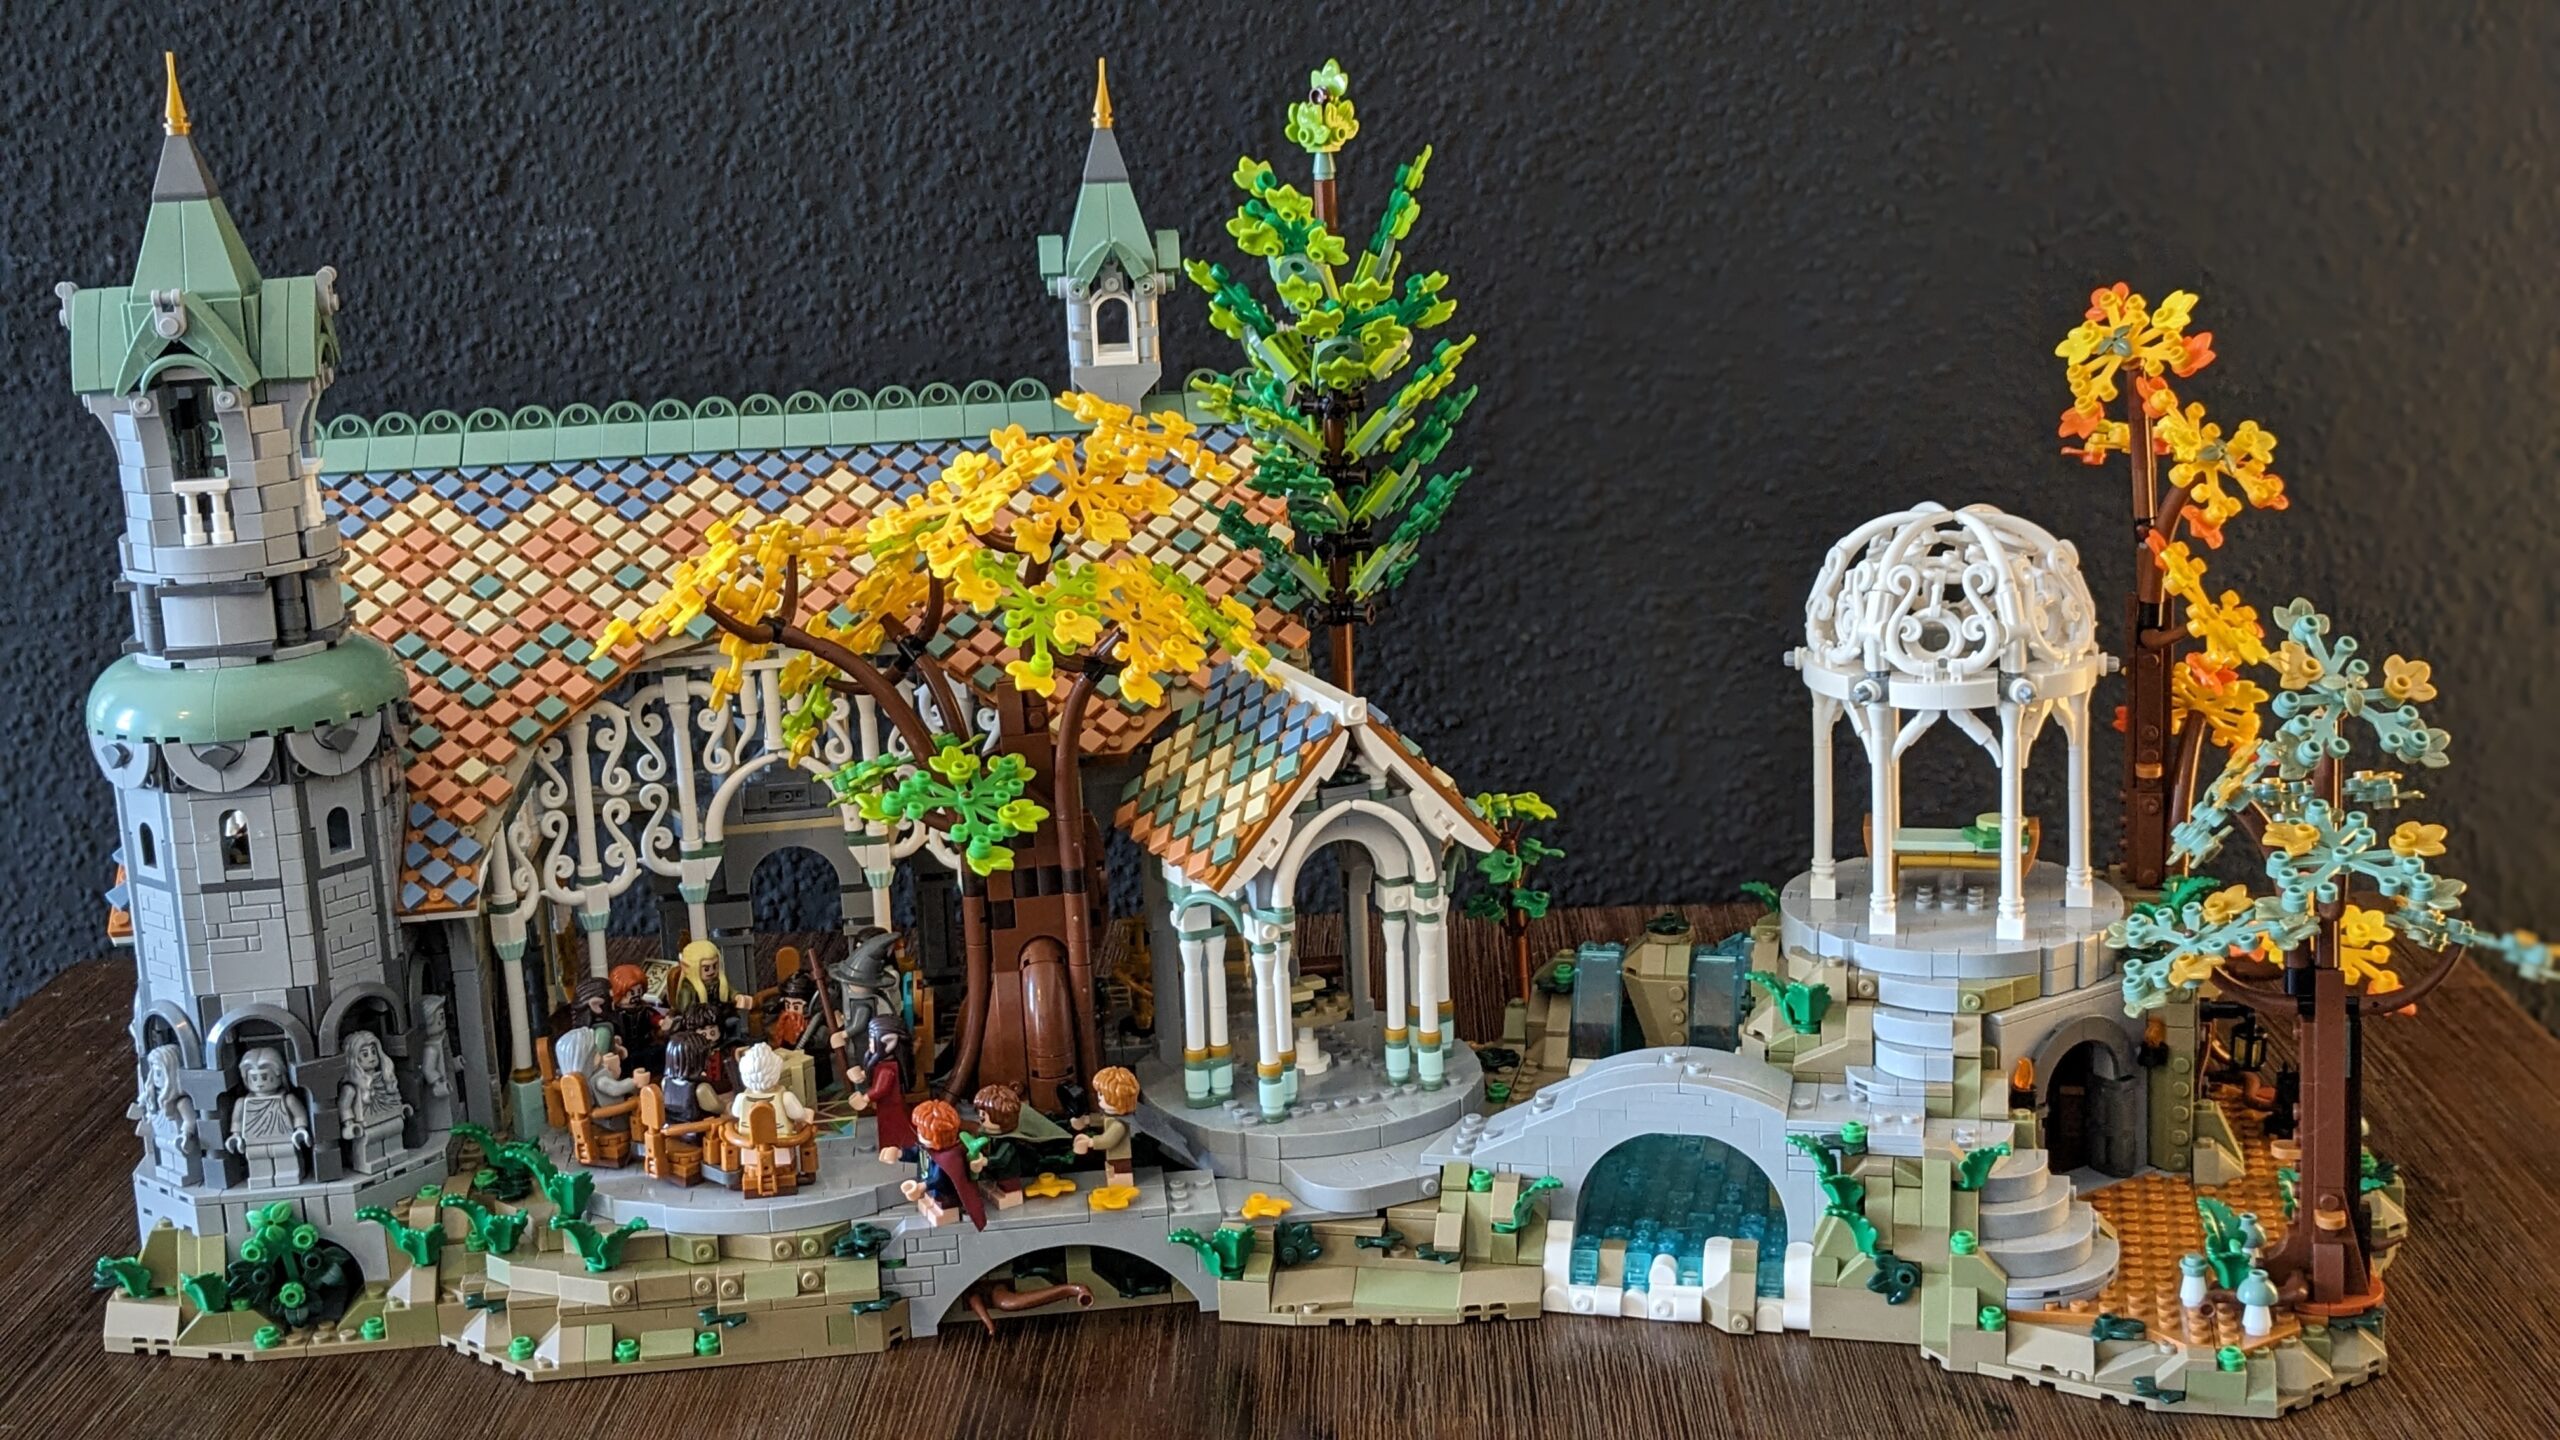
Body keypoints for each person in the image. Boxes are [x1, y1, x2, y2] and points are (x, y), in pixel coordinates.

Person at [225, 1046, 310, 1187]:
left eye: (264, 1077)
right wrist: (235, 1135)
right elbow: (237, 1121)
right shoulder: (242, 1103)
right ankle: (260, 1178)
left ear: (279, 1075)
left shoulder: (288, 1099)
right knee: (257, 1161)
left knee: (286, 1158)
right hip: (253, 1140)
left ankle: (289, 1176)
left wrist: (300, 1129)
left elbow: (298, 1116)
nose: (259, 1083)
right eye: (254, 1078)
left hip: (283, 1138)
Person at [336, 1029, 413, 1174]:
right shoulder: (352, 1088)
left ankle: (395, 1155)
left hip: (391, 1118)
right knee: (371, 1144)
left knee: (394, 1137)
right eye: (365, 1054)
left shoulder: (386, 1077)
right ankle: (370, 1163)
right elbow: (344, 1106)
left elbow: (392, 1095)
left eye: (373, 1052)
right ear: (354, 1059)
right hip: (367, 1126)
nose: (371, 1057)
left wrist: (401, 1108)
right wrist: (349, 1124)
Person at [901, 1099, 985, 1229]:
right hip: (930, 1190)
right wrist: (899, 1153)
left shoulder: (950, 1157)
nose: (918, 1133)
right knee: (932, 1199)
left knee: (942, 1202)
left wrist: (923, 1186)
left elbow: (940, 1178)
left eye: (923, 1131)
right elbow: (915, 1153)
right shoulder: (926, 1147)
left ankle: (947, 1209)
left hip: (945, 1195)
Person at [851, 1014, 919, 1164]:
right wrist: (862, 1075)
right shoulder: (883, 1064)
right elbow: (876, 1077)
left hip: (890, 1105)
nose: (870, 1044)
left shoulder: (888, 1069)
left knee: (893, 1125)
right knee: (891, 1124)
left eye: (872, 1039)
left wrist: (865, 1098)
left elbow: (880, 1089)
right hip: (888, 1104)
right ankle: (894, 1147)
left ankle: (896, 1148)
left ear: (889, 1041)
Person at [1073, 1065, 1141, 1190]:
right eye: (1099, 1094)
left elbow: (1108, 1140)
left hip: (1119, 1156)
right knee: (1111, 1171)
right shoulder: (1112, 1117)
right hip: (1112, 1155)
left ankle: (1121, 1188)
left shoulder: (1119, 1125)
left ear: (1119, 1099)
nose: (1099, 1098)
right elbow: (1102, 1119)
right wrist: (1086, 1120)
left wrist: (1090, 1142)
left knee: (1118, 1174)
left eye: (1103, 1094)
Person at [658, 1032, 724, 1129]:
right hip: (697, 1131)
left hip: (673, 1128)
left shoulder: (665, 1082)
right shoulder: (701, 1089)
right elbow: (718, 1108)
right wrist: (729, 1105)